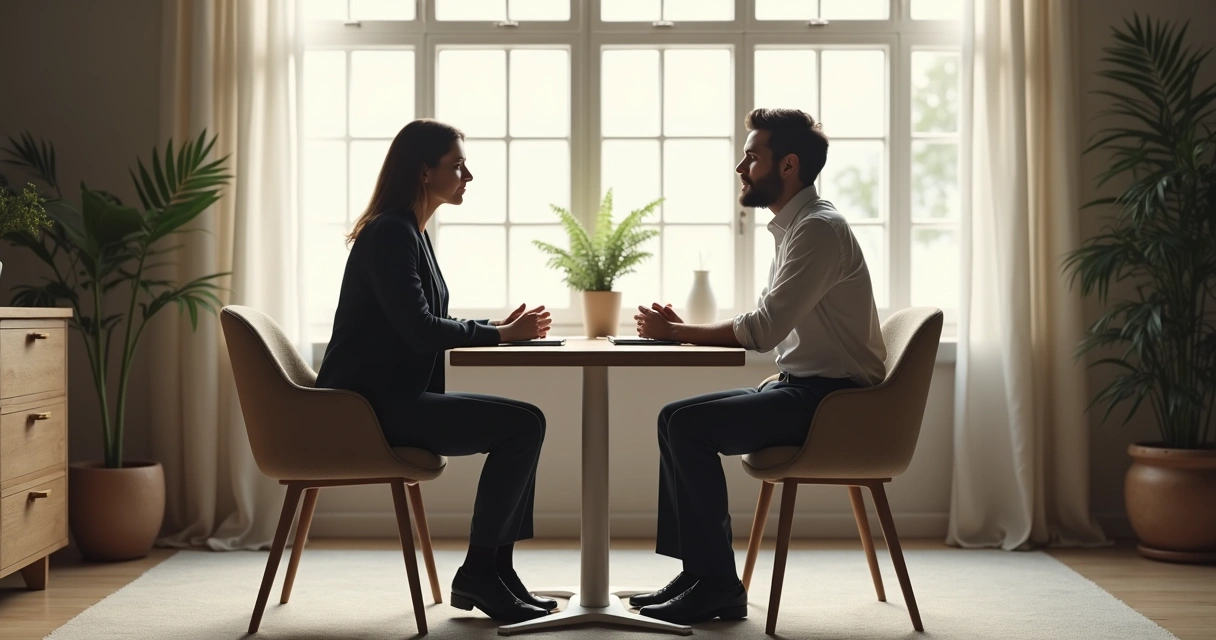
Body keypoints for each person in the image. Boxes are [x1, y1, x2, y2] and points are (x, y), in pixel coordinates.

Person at [629, 108, 888, 625]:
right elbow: (769, 326)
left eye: (752, 155)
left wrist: (678, 335)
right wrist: (683, 333)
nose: (740, 167)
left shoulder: (818, 231)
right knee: (672, 419)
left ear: (788, 165)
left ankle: (718, 587)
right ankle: (702, 574)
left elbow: (763, 330)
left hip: (833, 404)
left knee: (687, 426)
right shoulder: (798, 228)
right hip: (805, 390)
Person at [315, 119, 555, 624]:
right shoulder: (390, 234)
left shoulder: (409, 232)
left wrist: (494, 328)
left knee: (525, 423)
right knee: (524, 424)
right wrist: (498, 336)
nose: (468, 175)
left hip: (387, 400)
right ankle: (483, 573)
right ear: (425, 172)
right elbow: (422, 330)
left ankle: (496, 572)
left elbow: (422, 321)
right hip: (367, 411)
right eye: (458, 165)